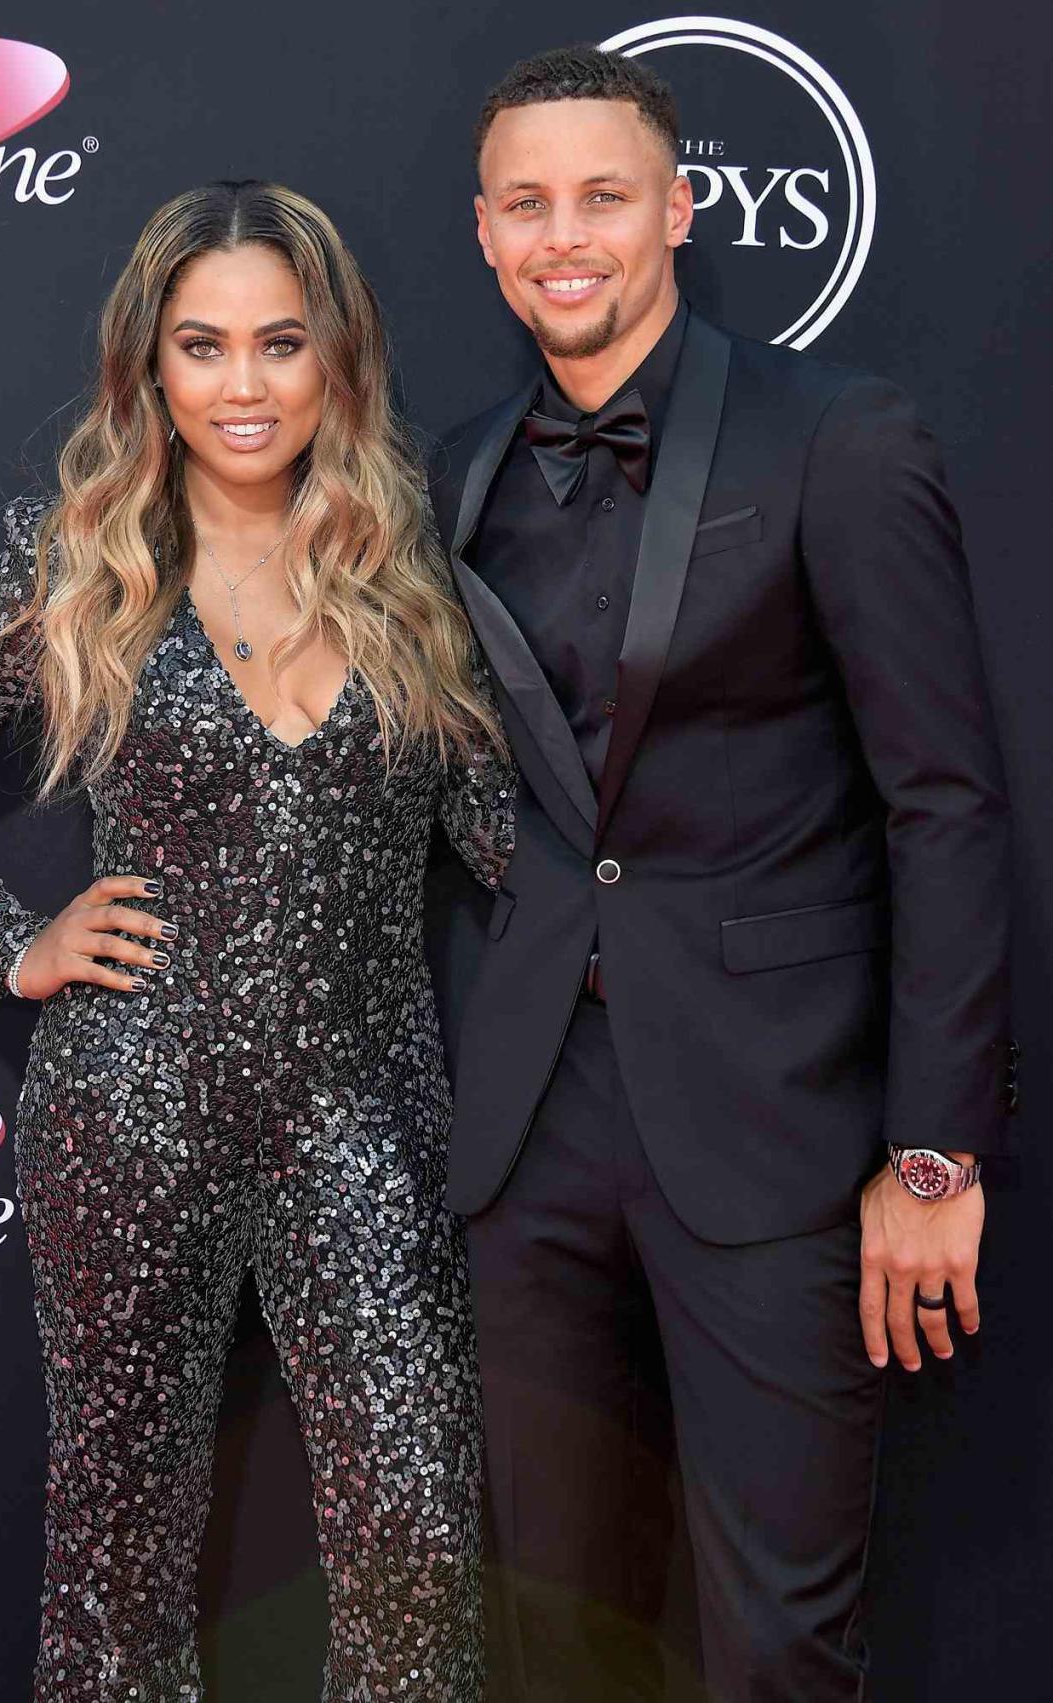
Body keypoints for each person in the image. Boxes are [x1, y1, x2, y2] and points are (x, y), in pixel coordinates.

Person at [0, 179, 513, 1702]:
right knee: (117, 1555)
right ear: (149, 368)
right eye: (203, 348)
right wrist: (12, 943)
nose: (244, 387)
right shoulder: (86, 564)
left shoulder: (423, 582)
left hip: (366, 1121)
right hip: (128, 1112)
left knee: (415, 1544)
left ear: (338, 359)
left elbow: (511, 854)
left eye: (282, 344)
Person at [426, 45, 1015, 1703]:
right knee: (558, 1633)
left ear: (677, 209)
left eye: (602, 196)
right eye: (527, 203)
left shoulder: (836, 436)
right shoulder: (446, 476)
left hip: (777, 1128)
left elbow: (944, 806)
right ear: (481, 233)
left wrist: (929, 1155)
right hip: (526, 1134)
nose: (566, 235)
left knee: (776, 1641)